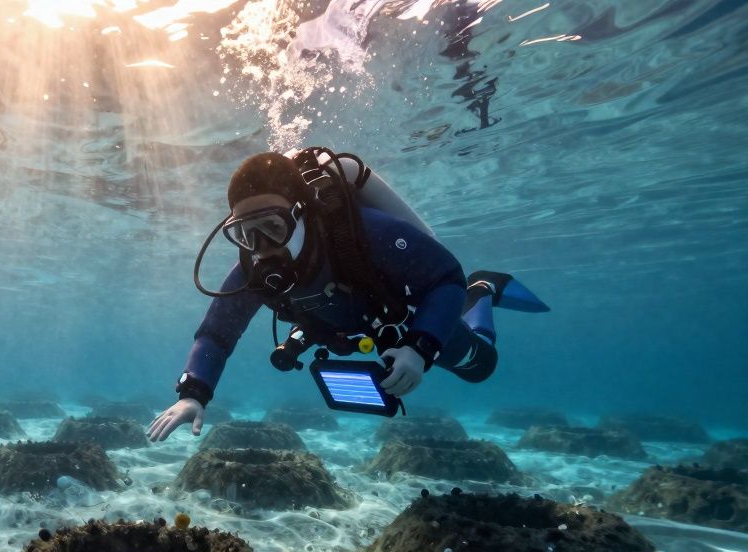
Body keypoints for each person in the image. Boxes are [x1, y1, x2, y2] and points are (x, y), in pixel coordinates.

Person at [148, 148, 548, 442]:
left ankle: (484, 292)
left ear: (300, 215)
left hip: (407, 318)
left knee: (480, 366)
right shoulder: (251, 268)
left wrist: (420, 348)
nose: (261, 246)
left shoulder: (361, 235)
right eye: (245, 233)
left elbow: (445, 278)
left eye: (271, 227)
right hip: (340, 328)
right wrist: (193, 395)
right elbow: (217, 332)